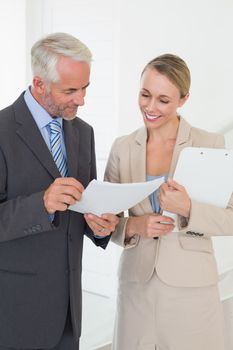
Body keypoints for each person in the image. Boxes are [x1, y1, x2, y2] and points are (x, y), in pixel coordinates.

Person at [103, 54, 233, 350]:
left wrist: (188, 209)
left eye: (163, 100)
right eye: (145, 95)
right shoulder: (122, 147)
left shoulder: (210, 144)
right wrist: (135, 224)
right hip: (136, 287)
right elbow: (106, 220)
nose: (150, 107)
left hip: (193, 291)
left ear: (184, 99)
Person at [0, 32, 118, 350]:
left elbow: (83, 206)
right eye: (70, 90)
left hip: (69, 316)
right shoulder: (2, 131)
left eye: (85, 88)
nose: (81, 100)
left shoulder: (83, 132)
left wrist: (100, 226)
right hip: (15, 316)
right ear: (39, 84)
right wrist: (42, 203)